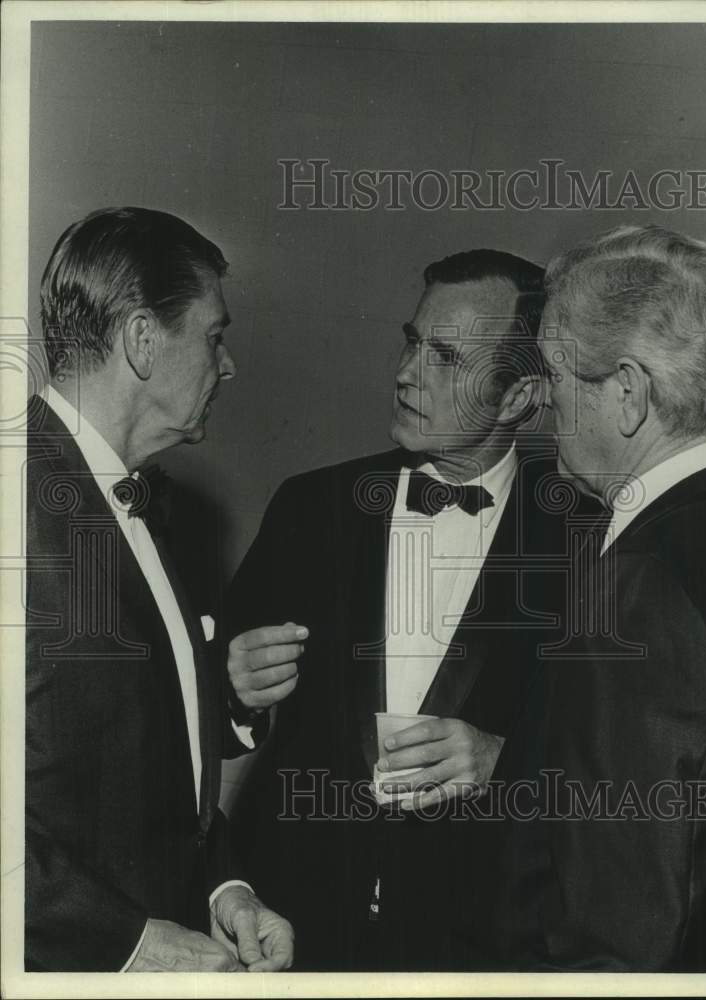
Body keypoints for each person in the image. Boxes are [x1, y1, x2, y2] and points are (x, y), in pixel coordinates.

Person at [226, 249, 598, 970]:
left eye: (446, 357)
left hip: (478, 952)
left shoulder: (587, 541)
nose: (405, 372)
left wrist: (506, 763)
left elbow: (622, 772)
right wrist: (232, 689)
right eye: (412, 341)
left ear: (519, 397)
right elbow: (212, 712)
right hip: (292, 935)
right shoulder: (312, 508)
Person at [25, 207, 301, 972]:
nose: (230, 364)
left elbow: (145, 773)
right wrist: (132, 944)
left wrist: (226, 891)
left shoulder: (153, 508)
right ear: (143, 340)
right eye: (215, 336)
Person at [520, 223, 706, 970]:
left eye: (557, 378)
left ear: (626, 393)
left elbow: (626, 930)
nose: (546, 406)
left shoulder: (640, 583)